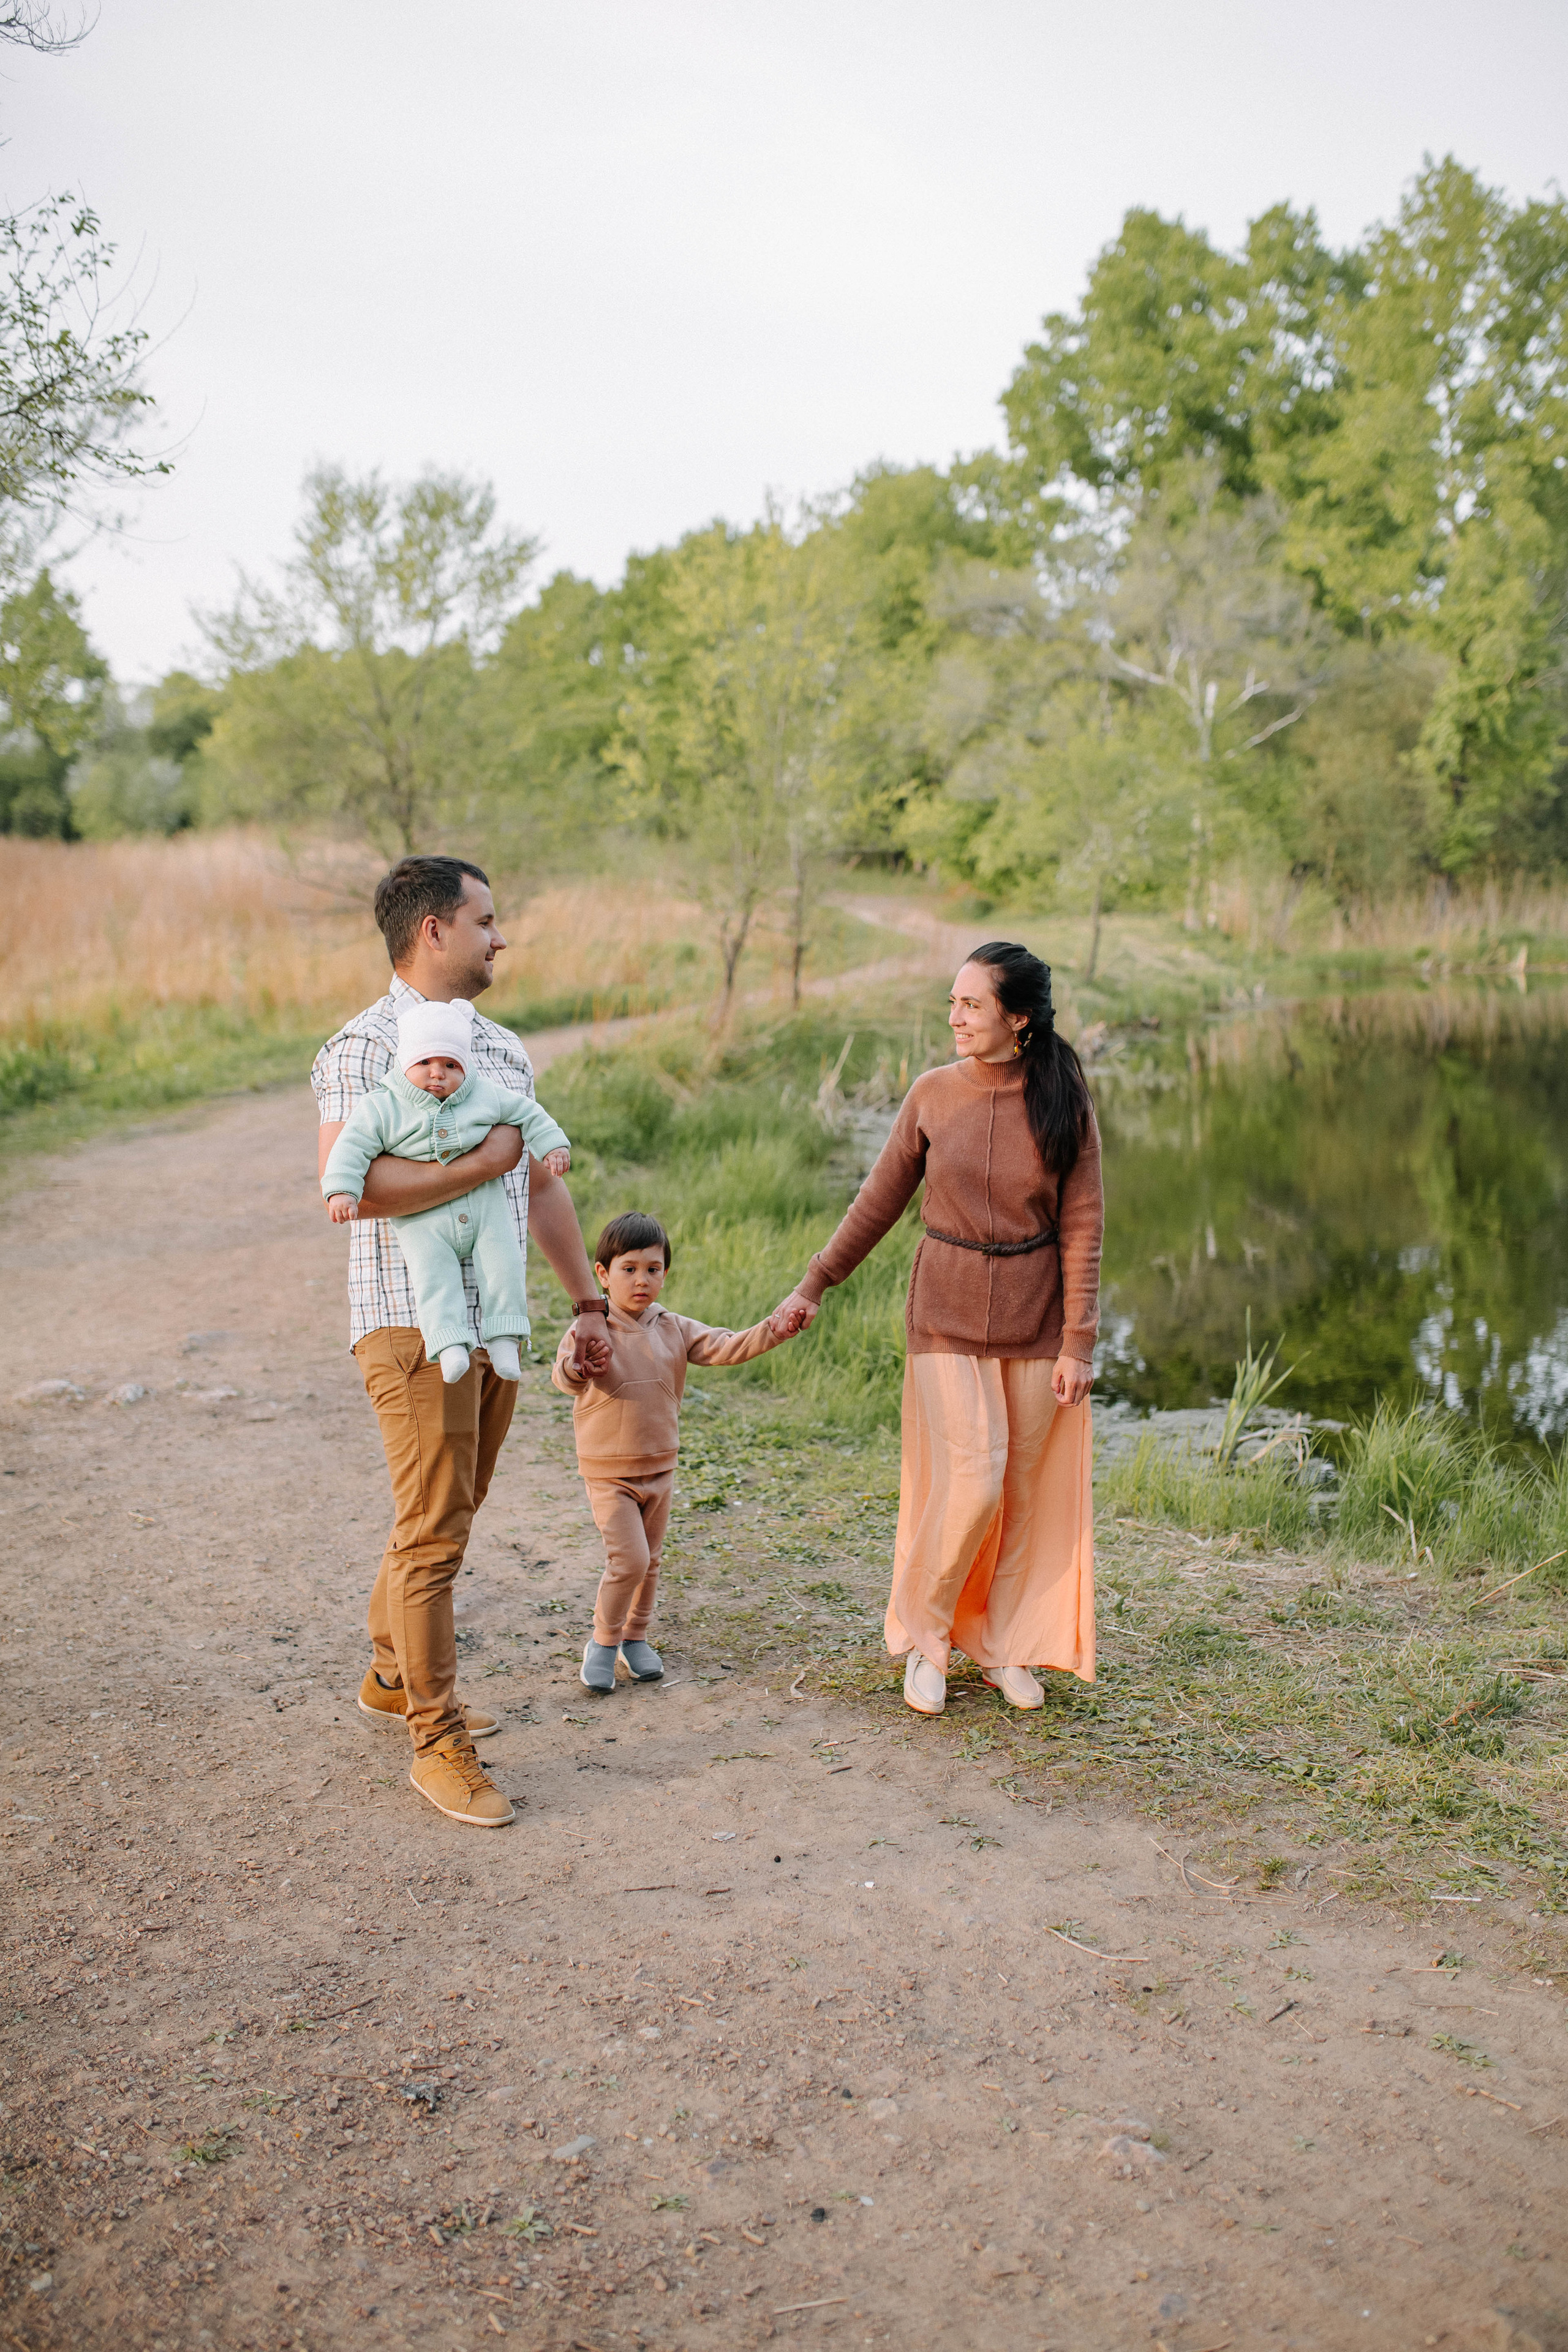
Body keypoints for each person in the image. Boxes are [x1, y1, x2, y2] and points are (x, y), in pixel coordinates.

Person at [312, 855, 612, 1830]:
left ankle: (393, 1672)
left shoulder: (506, 1051)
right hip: (408, 1321)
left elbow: (539, 1183)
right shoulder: (360, 1051)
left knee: (450, 1507)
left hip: (499, 1321)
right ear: (434, 929)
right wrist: (485, 1157)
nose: (501, 936)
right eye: (488, 919)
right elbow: (352, 1189)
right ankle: (438, 1743)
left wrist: (588, 1299)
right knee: (436, 1529)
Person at [769, 942, 1102, 1718]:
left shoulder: (1064, 1102)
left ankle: (1000, 1644)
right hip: (945, 1307)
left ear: (1017, 1020)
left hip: (1034, 1313)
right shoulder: (931, 1094)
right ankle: (928, 1636)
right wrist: (814, 1283)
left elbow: (1083, 1227)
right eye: (951, 1003)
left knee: (1020, 1492)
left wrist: (1077, 1340)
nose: (953, 1017)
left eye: (970, 1005)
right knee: (974, 1481)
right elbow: (877, 1202)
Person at [551, 1212, 805, 1694]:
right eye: (629, 1269)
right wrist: (578, 1368)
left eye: (653, 1268)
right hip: (609, 1472)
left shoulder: (674, 1327)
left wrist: (775, 1329)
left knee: (651, 1561)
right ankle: (603, 1643)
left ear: (665, 1272)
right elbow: (562, 1374)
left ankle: (636, 1637)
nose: (642, 1280)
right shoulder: (593, 1325)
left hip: (660, 1466)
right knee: (628, 1559)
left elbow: (728, 1346)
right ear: (602, 1274)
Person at [322, 995, 573, 1385]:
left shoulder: (483, 1094)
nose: (437, 1074)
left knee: (503, 1263)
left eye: (450, 1065)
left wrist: (553, 1145)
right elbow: (350, 1148)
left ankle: (505, 1336)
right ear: (407, 1063)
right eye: (425, 1063)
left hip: (485, 1206)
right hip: (423, 1218)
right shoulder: (383, 1106)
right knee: (432, 1277)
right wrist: (343, 1190)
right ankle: (450, 1343)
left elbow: (528, 1113)